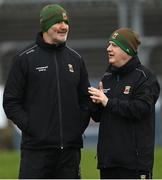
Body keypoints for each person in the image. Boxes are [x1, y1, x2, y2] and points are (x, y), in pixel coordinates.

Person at [3, 4, 90, 179]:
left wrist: (77, 126)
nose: (64, 26)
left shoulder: (76, 59)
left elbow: (86, 99)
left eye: (66, 22)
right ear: (45, 26)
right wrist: (32, 127)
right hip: (36, 151)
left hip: (70, 153)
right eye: (58, 22)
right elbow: (11, 102)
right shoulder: (24, 59)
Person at [88, 28, 160, 179]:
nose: (108, 49)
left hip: (135, 164)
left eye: (114, 45)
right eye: (109, 45)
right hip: (108, 163)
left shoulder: (145, 78)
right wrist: (96, 104)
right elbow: (98, 117)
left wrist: (108, 102)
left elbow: (141, 109)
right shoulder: (107, 77)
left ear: (127, 49)